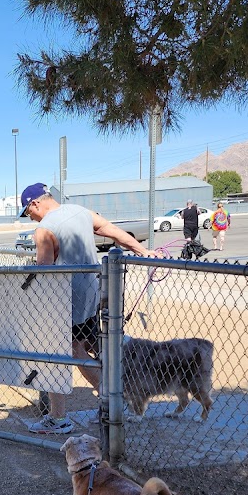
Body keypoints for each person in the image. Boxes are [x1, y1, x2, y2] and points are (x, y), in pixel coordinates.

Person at [19, 182, 156, 435]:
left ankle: (96, 404)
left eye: (29, 213)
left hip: (65, 299)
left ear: (35, 204)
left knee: (68, 351)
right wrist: (143, 250)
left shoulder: (44, 228)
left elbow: (44, 271)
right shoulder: (81, 211)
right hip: (91, 292)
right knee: (87, 345)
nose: (31, 217)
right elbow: (113, 231)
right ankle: (113, 396)